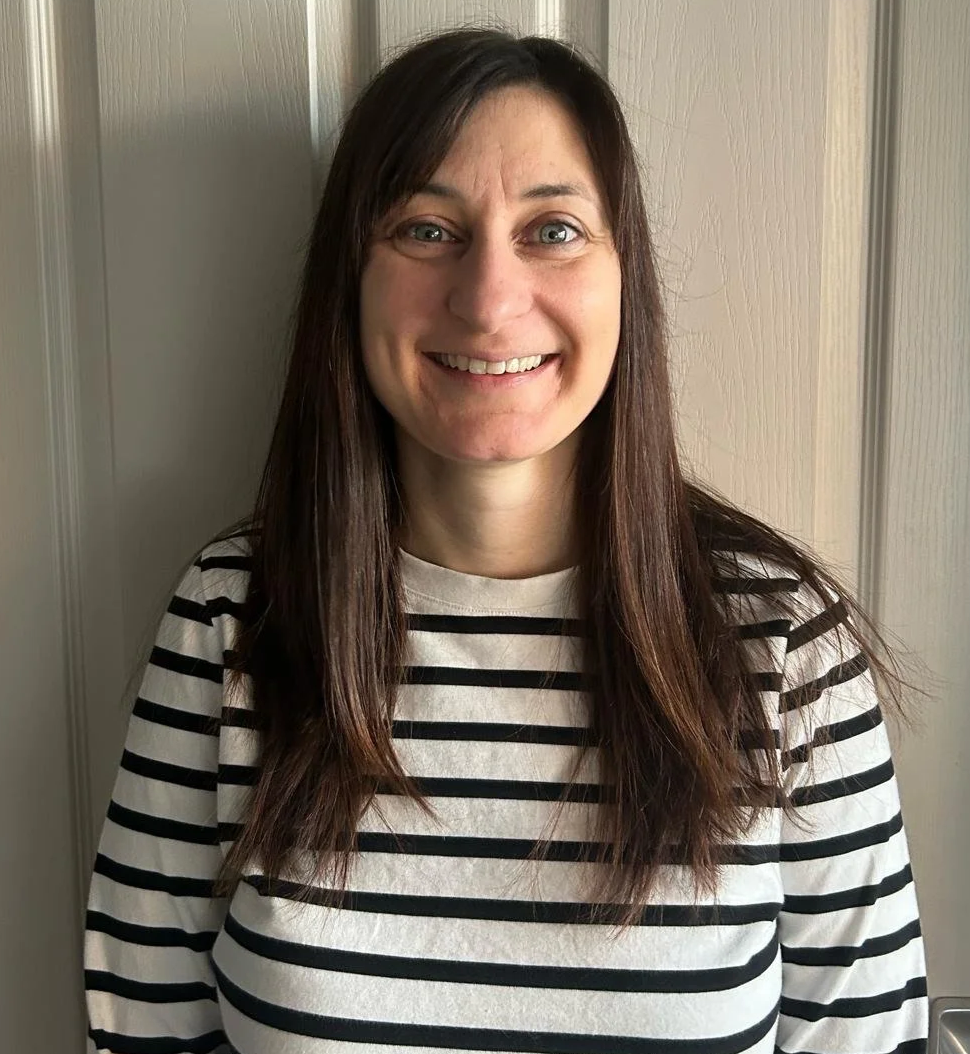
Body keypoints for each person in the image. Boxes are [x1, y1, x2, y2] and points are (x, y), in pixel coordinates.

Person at [83, 27, 929, 1054]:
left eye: (554, 230)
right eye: (427, 230)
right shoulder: (233, 622)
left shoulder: (781, 644)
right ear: (349, 280)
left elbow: (869, 1040)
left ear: (627, 277)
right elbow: (141, 1035)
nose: (487, 300)